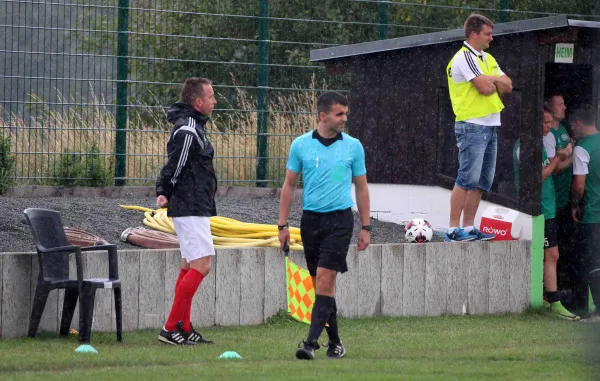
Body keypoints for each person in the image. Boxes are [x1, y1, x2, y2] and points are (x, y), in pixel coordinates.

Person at [278, 91, 371, 360]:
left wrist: (366, 227)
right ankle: (336, 343)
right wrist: (282, 225)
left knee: (326, 280)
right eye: (339, 114)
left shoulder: (353, 147)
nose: (344, 119)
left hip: (340, 221)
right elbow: (289, 185)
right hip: (311, 221)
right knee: (322, 286)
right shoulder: (300, 145)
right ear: (323, 116)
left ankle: (309, 344)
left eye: (345, 113)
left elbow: (362, 188)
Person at [155, 77, 218, 345]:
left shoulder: (195, 127)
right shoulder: (189, 129)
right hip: (189, 206)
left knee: (189, 264)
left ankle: (184, 325)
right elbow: (176, 164)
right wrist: (164, 191)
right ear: (198, 102)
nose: (215, 101)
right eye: (211, 96)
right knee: (202, 265)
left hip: (196, 205)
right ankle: (170, 328)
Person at [445, 13, 513, 242]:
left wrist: (490, 79)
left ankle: (470, 227)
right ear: (474, 34)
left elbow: (509, 85)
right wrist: (493, 80)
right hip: (472, 125)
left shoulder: (488, 58)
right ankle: (453, 230)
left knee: (482, 182)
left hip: (491, 125)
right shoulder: (464, 57)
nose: (491, 38)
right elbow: (485, 88)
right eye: (488, 34)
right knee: (466, 178)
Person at [539, 107, 580, 320]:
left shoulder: (541, 146)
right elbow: (541, 175)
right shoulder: (528, 147)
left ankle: (550, 300)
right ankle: (552, 302)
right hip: (539, 211)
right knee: (549, 255)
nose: (549, 127)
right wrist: (560, 158)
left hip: (548, 209)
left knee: (551, 255)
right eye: (545, 123)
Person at [570, 104, 600, 322]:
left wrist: (574, 204)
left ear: (579, 123)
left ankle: (597, 311)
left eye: (573, 125)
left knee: (592, 263)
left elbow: (579, 185)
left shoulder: (582, 148)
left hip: (594, 214)